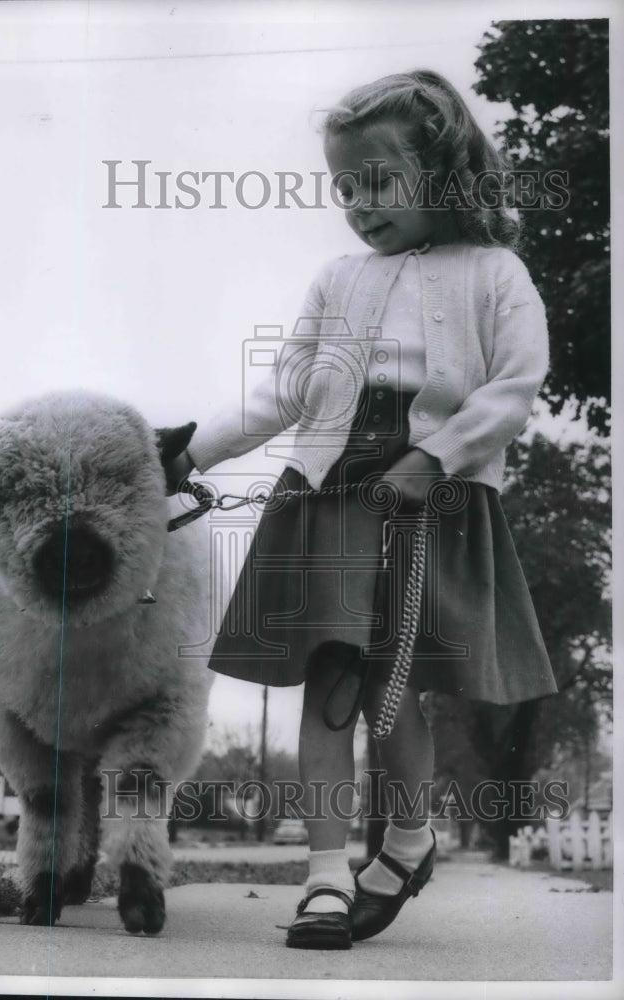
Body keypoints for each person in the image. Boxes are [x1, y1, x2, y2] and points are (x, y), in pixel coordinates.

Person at [164, 69, 557, 950]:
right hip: (331, 498)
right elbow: (287, 391)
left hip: (432, 500)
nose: (357, 204)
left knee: (396, 684)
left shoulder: (496, 273)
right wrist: (187, 452)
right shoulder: (338, 278)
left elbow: (513, 386)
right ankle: (324, 876)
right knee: (332, 678)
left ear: (446, 170)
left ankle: (408, 837)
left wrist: (435, 456)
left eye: (376, 181)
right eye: (343, 188)